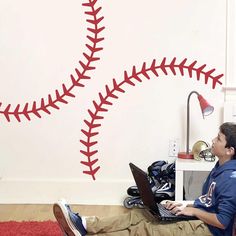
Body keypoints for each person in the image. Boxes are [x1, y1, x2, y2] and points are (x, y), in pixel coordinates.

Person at [53, 122, 236, 236]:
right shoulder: (219, 166)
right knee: (142, 213)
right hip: (199, 217)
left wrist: (193, 212)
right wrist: (182, 206)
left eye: (218, 139)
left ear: (229, 150)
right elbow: (208, 202)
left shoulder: (231, 179)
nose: (213, 140)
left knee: (146, 229)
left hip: (209, 230)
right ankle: (85, 225)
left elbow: (222, 221)